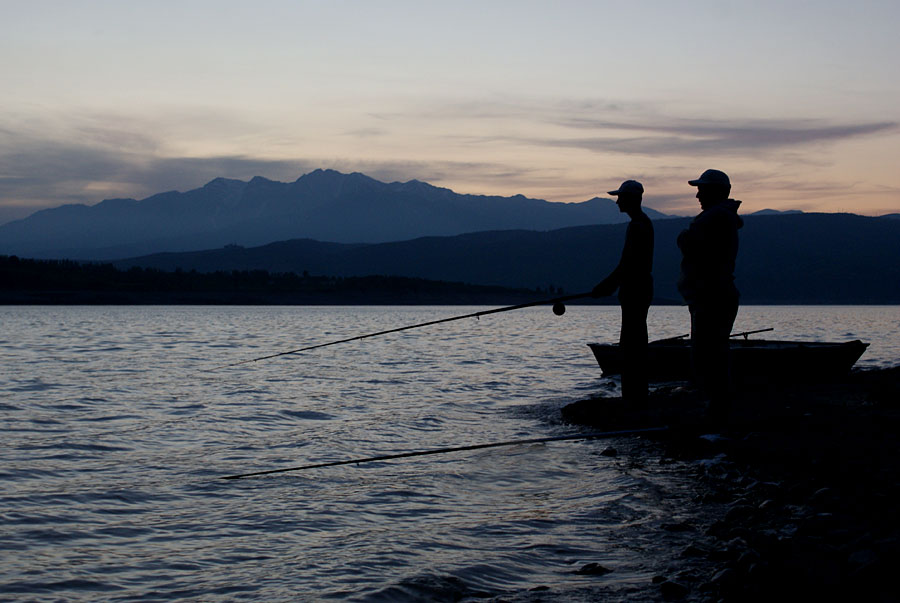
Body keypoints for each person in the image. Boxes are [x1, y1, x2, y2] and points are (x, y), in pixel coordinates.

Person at [677, 169, 743, 420]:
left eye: (702, 189)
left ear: (717, 192)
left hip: (711, 296)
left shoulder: (713, 218)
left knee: (707, 356)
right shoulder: (720, 217)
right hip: (714, 294)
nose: (697, 195)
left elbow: (687, 242)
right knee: (713, 353)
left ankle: (717, 409)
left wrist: (684, 235)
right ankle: (718, 405)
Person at [592, 180, 654, 406]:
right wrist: (609, 285)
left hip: (636, 289)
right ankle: (635, 393)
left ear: (632, 199)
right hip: (637, 287)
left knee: (632, 342)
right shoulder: (641, 223)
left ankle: (634, 396)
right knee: (633, 339)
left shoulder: (638, 225)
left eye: (621, 197)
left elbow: (628, 263)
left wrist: (606, 286)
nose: (617, 201)